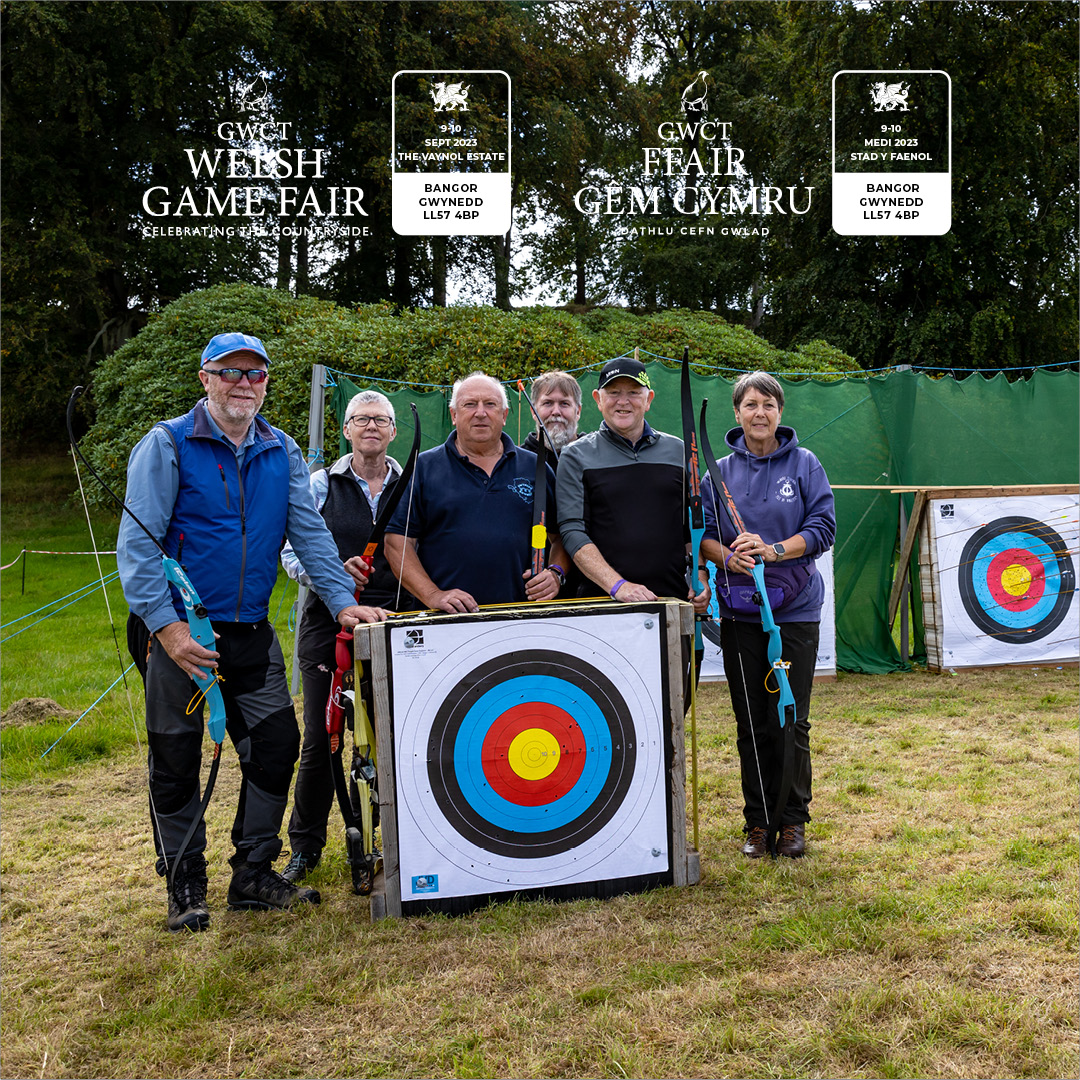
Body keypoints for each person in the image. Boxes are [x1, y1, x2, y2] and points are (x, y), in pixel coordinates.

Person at [117, 332, 387, 933]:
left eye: (256, 374)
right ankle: (185, 881)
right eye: (231, 372)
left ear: (266, 383)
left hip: (251, 632)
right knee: (177, 754)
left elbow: (309, 534)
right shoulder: (166, 445)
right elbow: (137, 547)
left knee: (276, 745)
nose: (245, 383)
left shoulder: (281, 449)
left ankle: (253, 873)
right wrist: (167, 631)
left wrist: (342, 603)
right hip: (182, 636)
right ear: (205, 378)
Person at [278, 390, 416, 886]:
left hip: (395, 622)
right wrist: (333, 575)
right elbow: (290, 550)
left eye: (381, 419)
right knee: (322, 739)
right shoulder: (320, 484)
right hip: (328, 625)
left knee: (393, 737)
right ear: (346, 429)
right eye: (361, 419)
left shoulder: (412, 483)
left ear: (394, 431)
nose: (372, 427)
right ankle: (305, 847)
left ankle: (389, 840)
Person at [700, 370, 835, 859]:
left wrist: (772, 550)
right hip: (741, 615)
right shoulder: (717, 472)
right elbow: (704, 535)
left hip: (794, 613)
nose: (760, 413)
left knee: (790, 716)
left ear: (781, 412)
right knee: (750, 720)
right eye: (751, 405)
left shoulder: (804, 464)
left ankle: (793, 822)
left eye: (769, 405)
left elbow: (822, 527)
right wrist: (726, 557)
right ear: (737, 413)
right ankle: (758, 824)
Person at [384, 371, 568, 613]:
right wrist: (432, 595)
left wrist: (556, 573)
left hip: (522, 617)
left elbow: (563, 537)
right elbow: (396, 544)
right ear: (454, 415)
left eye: (490, 404)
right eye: (469, 404)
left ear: (503, 416)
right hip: (446, 620)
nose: (480, 412)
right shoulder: (423, 469)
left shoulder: (536, 468)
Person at [556, 357, 712, 614]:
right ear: (598, 399)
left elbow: (689, 529)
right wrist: (618, 586)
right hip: (604, 605)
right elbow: (572, 531)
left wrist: (701, 576)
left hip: (673, 602)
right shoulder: (575, 455)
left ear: (648, 399)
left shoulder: (678, 450)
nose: (623, 401)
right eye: (614, 392)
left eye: (633, 393)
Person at [519, 369, 582, 455]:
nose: (556, 412)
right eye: (547, 403)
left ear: (577, 411)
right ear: (534, 411)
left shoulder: (594, 457)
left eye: (564, 403)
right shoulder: (518, 462)